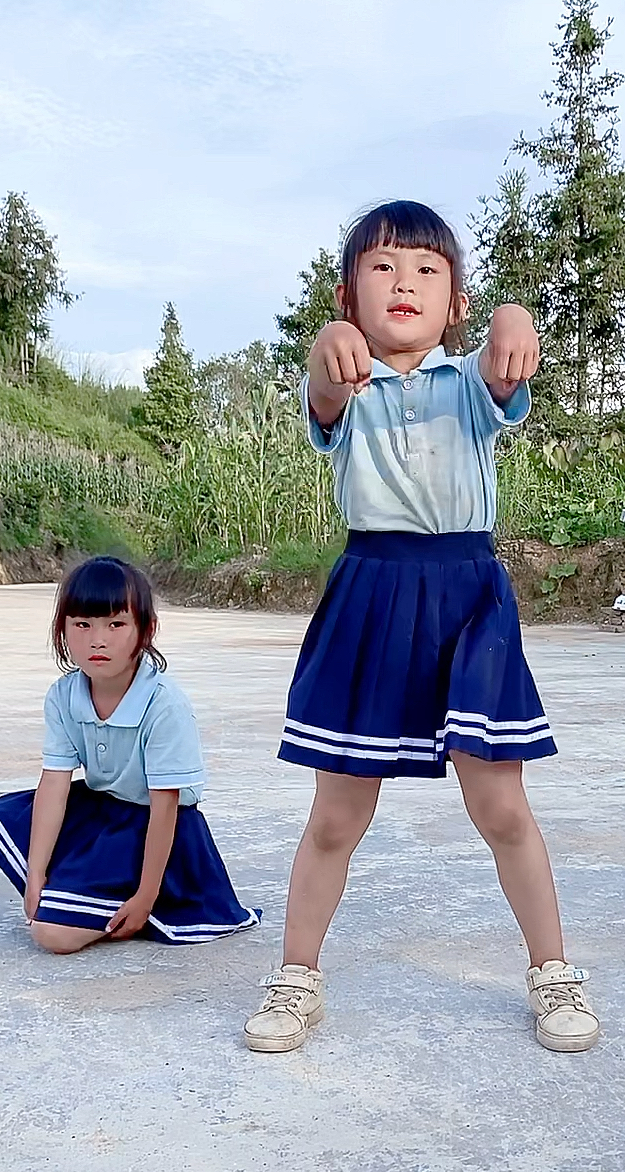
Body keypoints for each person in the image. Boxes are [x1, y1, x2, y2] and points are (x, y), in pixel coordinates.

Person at [244, 199, 599, 1056]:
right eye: (383, 267)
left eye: (427, 270)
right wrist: (325, 355)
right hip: (370, 591)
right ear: (347, 293)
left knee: (501, 804)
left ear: (457, 303)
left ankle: (553, 973)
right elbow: (326, 388)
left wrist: (515, 319)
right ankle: (297, 979)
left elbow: (506, 368)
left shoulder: (470, 386)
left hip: (468, 596)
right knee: (337, 813)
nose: (404, 281)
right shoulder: (343, 382)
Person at [0, 556, 260, 950]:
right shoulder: (64, 695)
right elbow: (54, 782)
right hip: (102, 807)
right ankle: (80, 888)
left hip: (156, 826)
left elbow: (166, 806)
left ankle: (129, 899)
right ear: (62, 630)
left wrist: (145, 899)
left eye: (116, 625)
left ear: (145, 630)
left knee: (53, 936)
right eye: (82, 625)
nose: (97, 640)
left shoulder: (162, 704)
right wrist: (34, 875)